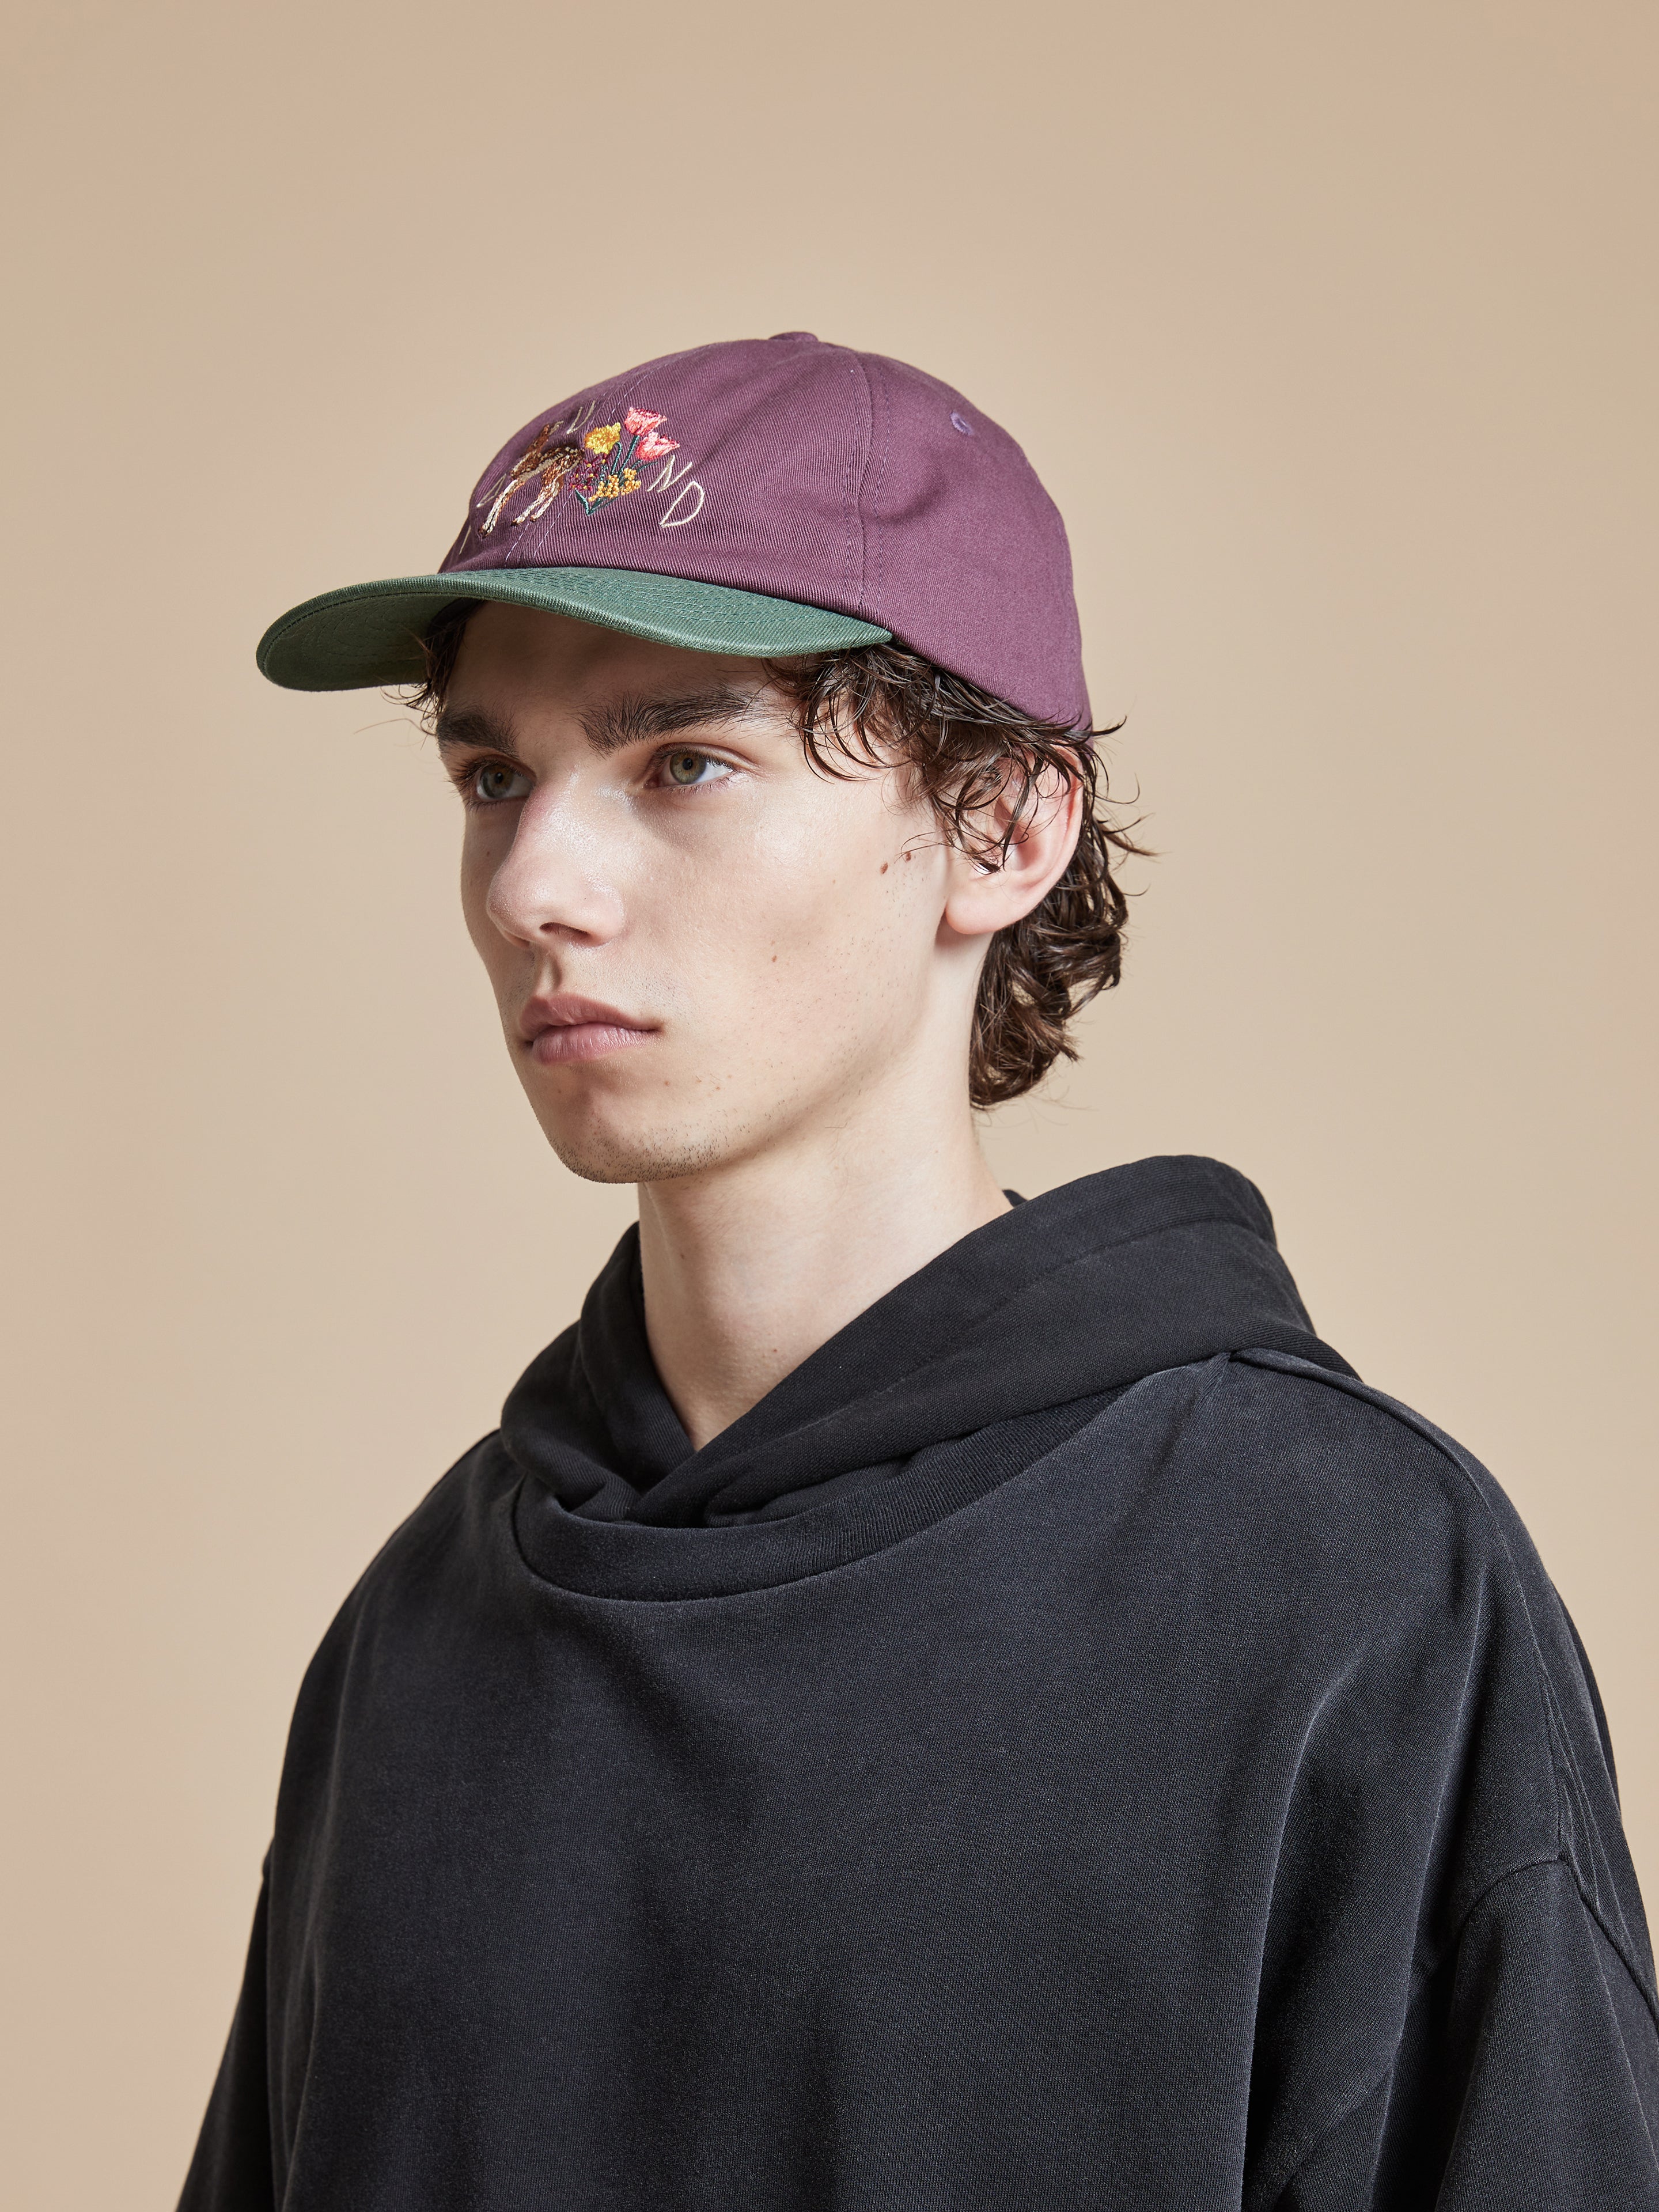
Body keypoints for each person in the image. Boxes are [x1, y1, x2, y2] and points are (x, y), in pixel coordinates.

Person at [180, 334, 1658, 2210]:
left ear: (1006, 829)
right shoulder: (423, 1629)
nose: (534, 884)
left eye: (684, 761)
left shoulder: (1343, 1584)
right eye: (494, 775)